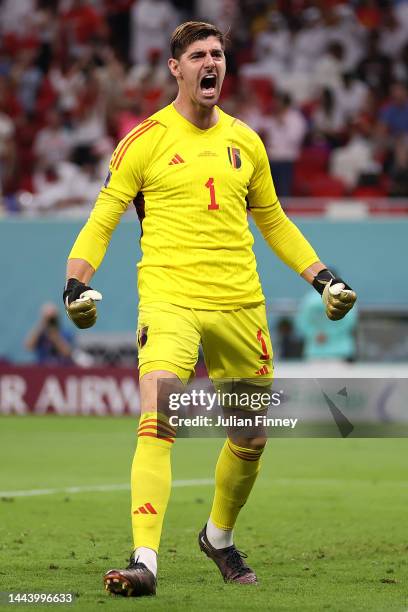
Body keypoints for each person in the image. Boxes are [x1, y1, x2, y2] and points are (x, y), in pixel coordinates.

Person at [62, 22, 357, 598]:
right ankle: (144, 559)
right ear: (175, 68)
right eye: (198, 55)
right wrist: (76, 284)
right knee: (161, 410)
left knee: (250, 438)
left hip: (240, 303)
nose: (210, 63)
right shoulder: (144, 140)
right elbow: (103, 218)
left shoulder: (246, 141)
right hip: (170, 297)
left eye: (218, 54)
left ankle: (217, 537)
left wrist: (323, 278)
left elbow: (272, 219)